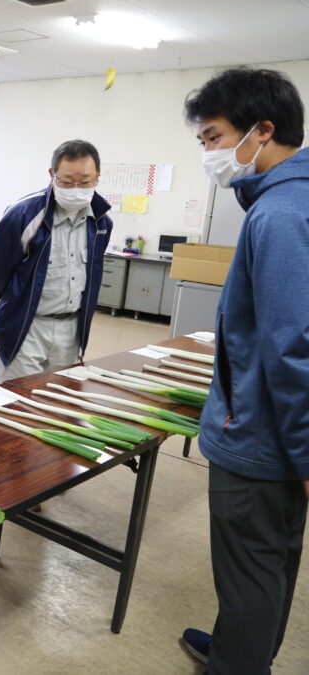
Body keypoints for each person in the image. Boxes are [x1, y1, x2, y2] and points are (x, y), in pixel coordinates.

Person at [178, 67, 309, 675]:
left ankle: (239, 663)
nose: (209, 152)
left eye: (212, 137)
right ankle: (240, 647)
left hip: (259, 435)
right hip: (268, 425)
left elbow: (294, 345)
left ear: (263, 130)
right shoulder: (295, 197)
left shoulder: (279, 214)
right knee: (272, 557)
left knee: (253, 565)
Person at [0, 140, 113, 383]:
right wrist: (16, 300)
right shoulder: (25, 213)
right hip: (26, 327)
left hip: (71, 329)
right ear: (52, 174)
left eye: (85, 182)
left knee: (58, 402)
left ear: (97, 176)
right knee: (15, 402)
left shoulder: (101, 222)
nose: (76, 189)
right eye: (67, 181)